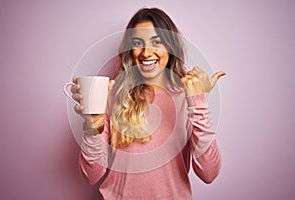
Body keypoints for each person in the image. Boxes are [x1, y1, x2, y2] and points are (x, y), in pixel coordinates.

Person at [70, 7, 225, 200]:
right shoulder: (111, 95)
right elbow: (91, 176)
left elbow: (209, 173)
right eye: (137, 43)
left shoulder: (188, 98)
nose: (146, 52)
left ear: (170, 47)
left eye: (156, 42)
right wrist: (93, 127)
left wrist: (199, 101)